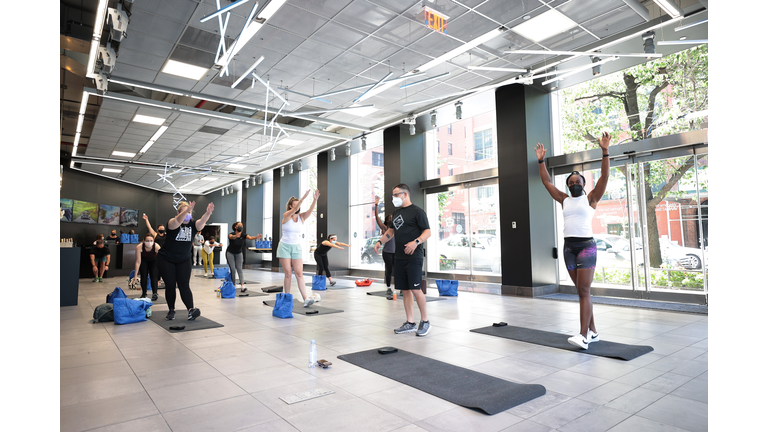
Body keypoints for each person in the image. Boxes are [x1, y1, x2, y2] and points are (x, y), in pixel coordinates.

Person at [534, 132, 612, 349]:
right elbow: (546, 181)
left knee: (584, 291)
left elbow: (605, 178)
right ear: (568, 185)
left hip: (586, 247)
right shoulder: (564, 199)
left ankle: (583, 336)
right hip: (569, 248)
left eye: (578, 181)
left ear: (584, 184)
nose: (575, 183)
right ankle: (594, 331)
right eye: (572, 181)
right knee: (581, 291)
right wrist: (541, 160)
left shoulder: (591, 198)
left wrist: (605, 151)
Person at [374, 184, 432, 336]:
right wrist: (380, 241)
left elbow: (428, 231)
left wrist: (416, 242)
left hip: (414, 257)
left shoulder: (418, 212)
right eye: (393, 195)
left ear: (405, 194)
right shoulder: (397, 212)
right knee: (405, 291)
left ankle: (425, 321)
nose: (394, 198)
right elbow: (391, 231)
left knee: (415, 289)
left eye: (396, 195)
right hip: (399, 257)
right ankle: (410, 322)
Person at [156, 201, 215, 321]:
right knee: (171, 285)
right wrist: (186, 210)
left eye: (189, 212)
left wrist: (207, 214)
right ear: (178, 213)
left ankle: (190, 310)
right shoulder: (172, 222)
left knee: (184, 285)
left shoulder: (193, 224)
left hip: (184, 259)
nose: (187, 214)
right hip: (166, 258)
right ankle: (171, 310)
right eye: (184, 211)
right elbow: (177, 221)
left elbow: (201, 223)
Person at [277, 189, 319, 308]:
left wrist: (315, 200)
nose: (298, 207)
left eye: (299, 204)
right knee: (288, 274)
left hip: (296, 247)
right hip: (284, 246)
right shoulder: (286, 216)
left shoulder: (301, 217)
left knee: (299, 273)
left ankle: (306, 298)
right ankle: (287, 297)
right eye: (295, 205)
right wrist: (303, 198)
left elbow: (310, 211)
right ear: (290, 206)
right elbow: (294, 210)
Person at [227, 222, 262, 292]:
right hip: (230, 253)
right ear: (235, 227)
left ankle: (242, 286)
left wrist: (256, 237)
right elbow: (230, 237)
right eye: (239, 225)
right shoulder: (231, 234)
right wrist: (235, 236)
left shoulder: (243, 235)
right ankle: (234, 285)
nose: (241, 226)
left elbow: (250, 237)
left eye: (241, 225)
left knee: (239, 269)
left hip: (239, 253)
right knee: (233, 269)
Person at [374, 196, 396, 295]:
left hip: (396, 252)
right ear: (387, 220)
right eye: (390, 218)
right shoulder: (385, 228)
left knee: (399, 270)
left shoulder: (396, 228)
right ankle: (388, 287)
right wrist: (376, 205)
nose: (392, 219)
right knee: (389, 270)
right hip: (387, 252)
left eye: (393, 218)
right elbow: (377, 217)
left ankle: (400, 288)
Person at [133, 233, 160, 300]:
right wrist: (135, 275)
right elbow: (138, 262)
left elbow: (162, 260)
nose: (149, 242)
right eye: (147, 241)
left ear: (154, 241)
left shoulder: (156, 246)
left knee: (153, 275)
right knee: (143, 275)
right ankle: (144, 293)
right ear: (143, 241)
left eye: (151, 240)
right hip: (144, 260)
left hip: (154, 260)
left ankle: (155, 293)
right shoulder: (139, 247)